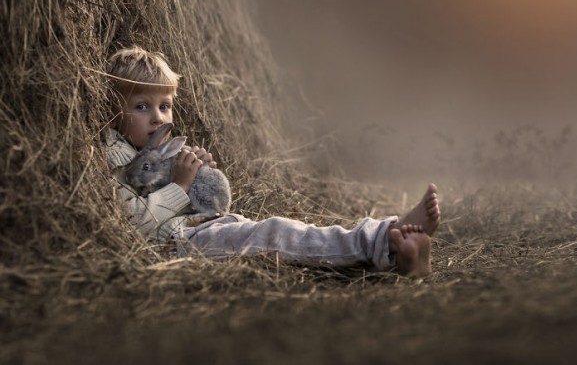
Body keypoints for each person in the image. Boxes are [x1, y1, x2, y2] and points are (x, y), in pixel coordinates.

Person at [104, 46, 440, 277]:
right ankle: (384, 241)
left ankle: (394, 251)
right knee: (275, 233)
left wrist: (197, 176)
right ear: (113, 110)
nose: (156, 118)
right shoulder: (114, 159)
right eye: (141, 106)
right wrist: (181, 186)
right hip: (175, 247)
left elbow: (205, 203)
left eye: (164, 106)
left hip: (198, 230)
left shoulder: (157, 149)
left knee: (286, 236)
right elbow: (133, 224)